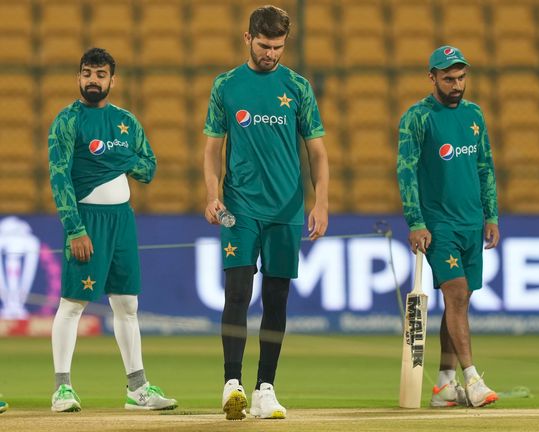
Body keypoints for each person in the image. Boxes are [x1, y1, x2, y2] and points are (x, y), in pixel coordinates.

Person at [202, 5, 329, 421]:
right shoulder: (226, 86)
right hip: (239, 209)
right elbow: (212, 148)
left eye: (277, 46)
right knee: (237, 293)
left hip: (287, 210)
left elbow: (317, 152)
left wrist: (321, 201)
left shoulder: (297, 86)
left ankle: (265, 389)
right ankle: (231, 384)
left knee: (276, 300)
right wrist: (212, 193)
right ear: (247, 39)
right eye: (263, 45)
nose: (270, 53)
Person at [47, 48, 177, 413]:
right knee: (72, 304)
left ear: (112, 80)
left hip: (122, 220)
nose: (93, 80)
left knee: (128, 305)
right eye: (87, 73)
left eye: (100, 74)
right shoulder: (67, 120)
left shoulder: (126, 121)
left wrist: (111, 157)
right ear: (78, 77)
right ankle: (62, 389)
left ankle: (137, 390)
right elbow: (59, 178)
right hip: (86, 220)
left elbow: (148, 169)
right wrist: (74, 230)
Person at [396, 46, 500, 408]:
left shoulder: (475, 115)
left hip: (472, 222)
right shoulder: (417, 118)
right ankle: (472, 380)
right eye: (448, 78)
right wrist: (416, 221)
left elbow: (485, 167)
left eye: (461, 77)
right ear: (432, 77)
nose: (457, 85)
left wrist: (492, 216)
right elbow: (405, 171)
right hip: (438, 224)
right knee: (455, 295)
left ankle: (443, 386)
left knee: (458, 305)